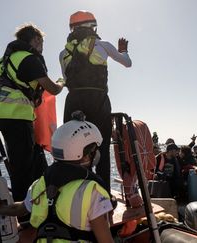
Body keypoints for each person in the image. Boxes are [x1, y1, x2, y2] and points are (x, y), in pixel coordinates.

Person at [0, 112, 115, 243]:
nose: (96, 154)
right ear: (84, 154)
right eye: (94, 150)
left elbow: (19, 209)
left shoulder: (40, 184)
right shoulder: (92, 191)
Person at [0, 23, 64, 224]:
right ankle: (25, 217)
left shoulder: (2, 61)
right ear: (35, 40)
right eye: (42, 42)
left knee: (31, 159)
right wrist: (63, 82)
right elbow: (52, 89)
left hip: (2, 113)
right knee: (23, 167)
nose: (42, 46)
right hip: (17, 116)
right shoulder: (29, 59)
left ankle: (38, 204)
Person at [59, 11, 132, 191]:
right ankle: (102, 194)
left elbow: (65, 78)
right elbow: (127, 63)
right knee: (102, 147)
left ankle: (74, 192)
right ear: (92, 26)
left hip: (73, 101)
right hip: (98, 100)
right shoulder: (102, 45)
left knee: (72, 149)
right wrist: (123, 50)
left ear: (72, 28)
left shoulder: (63, 53)